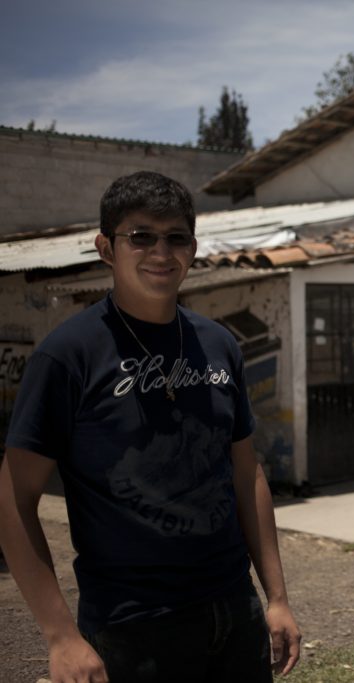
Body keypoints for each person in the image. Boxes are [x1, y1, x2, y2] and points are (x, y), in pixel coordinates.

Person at [0, 171, 301, 682]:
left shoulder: (218, 344)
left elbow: (246, 474)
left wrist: (276, 597)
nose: (161, 252)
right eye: (141, 236)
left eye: (176, 237)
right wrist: (60, 636)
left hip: (233, 606)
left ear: (192, 247)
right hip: (130, 623)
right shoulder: (68, 355)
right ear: (106, 247)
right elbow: (13, 497)